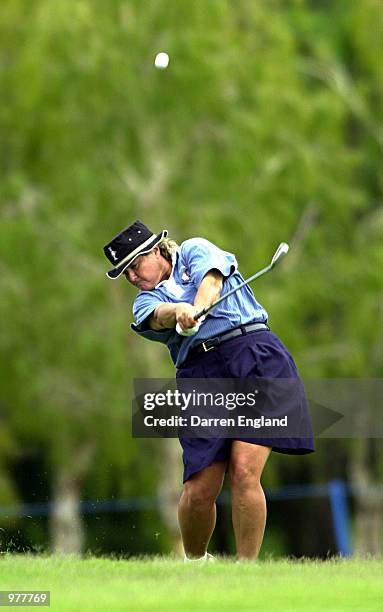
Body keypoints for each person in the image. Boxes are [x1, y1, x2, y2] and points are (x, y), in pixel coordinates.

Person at [103, 219, 314, 561]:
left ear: (157, 250)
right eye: (124, 273)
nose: (132, 277)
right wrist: (180, 312)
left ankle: (246, 574)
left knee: (245, 470)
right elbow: (158, 316)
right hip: (201, 374)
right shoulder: (143, 302)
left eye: (135, 265)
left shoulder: (193, 250)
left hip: (255, 355)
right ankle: (196, 565)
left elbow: (212, 281)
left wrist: (197, 309)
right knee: (200, 488)